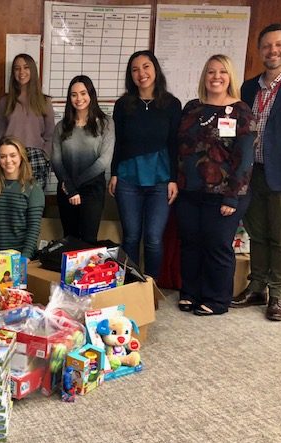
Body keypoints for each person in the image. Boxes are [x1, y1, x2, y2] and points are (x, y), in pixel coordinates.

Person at [231, 23, 281, 322]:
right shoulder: (248, 87)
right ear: (259, 51)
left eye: (279, 45)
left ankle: (278, 294)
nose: (273, 50)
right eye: (267, 46)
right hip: (252, 171)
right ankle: (257, 286)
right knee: (257, 233)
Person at [176, 54, 255, 316]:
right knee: (190, 243)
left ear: (230, 76)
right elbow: (180, 149)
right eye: (210, 72)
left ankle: (217, 299)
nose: (216, 77)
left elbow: (244, 159)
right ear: (204, 76)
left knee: (217, 245)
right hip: (189, 190)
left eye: (222, 72)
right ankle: (190, 292)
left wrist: (232, 197)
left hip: (225, 194)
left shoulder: (241, 111)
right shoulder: (192, 108)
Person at [108, 50, 182, 279]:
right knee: (130, 236)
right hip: (128, 178)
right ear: (130, 75)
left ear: (155, 69)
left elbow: (174, 144)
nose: (141, 73)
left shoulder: (171, 104)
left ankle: (151, 287)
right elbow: (118, 142)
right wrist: (114, 173)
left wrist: (173, 179)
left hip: (160, 179)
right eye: (135, 69)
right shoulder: (123, 105)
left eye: (146, 66)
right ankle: (130, 283)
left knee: (153, 238)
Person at [51, 75, 114, 244]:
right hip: (66, 189)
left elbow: (103, 161)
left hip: (92, 189)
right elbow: (56, 160)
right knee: (69, 240)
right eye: (73, 94)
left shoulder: (106, 123)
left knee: (88, 241)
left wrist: (74, 185)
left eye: (83, 93)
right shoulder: (61, 126)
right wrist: (69, 187)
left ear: (91, 94)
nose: (79, 98)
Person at [0, 136, 45, 259]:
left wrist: (25, 257)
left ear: (21, 157)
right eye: (3, 156)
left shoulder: (33, 188)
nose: (8, 160)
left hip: (18, 256)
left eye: (13, 155)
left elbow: (34, 228)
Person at [0, 54, 55, 191]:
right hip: (10, 157)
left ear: (33, 70)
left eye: (26, 67)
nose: (21, 72)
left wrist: (45, 155)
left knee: (34, 203)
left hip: (36, 157)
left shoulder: (44, 101)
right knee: (13, 201)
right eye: (17, 68)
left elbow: (50, 134)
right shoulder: (5, 101)